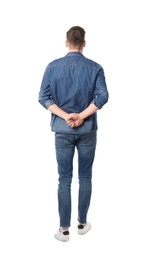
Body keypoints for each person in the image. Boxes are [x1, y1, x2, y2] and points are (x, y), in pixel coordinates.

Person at [38, 26, 109, 242]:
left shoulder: (53, 67)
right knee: (85, 177)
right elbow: (102, 97)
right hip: (87, 129)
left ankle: (64, 229)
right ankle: (82, 223)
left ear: (66, 42)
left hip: (62, 129)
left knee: (64, 179)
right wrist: (81, 116)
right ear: (84, 43)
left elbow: (44, 97)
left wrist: (67, 116)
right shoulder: (95, 68)